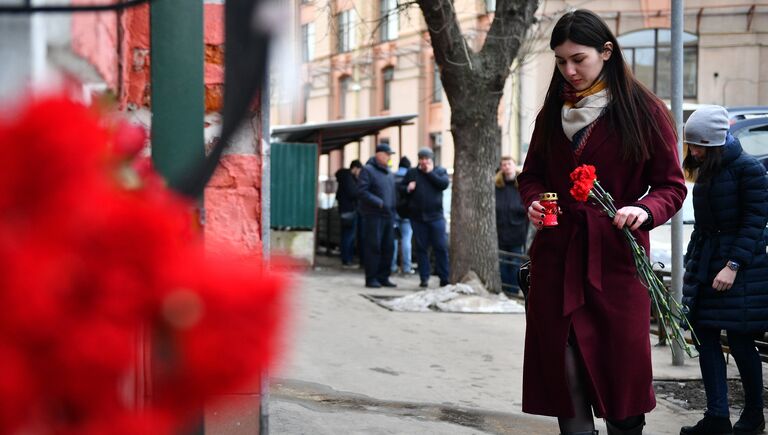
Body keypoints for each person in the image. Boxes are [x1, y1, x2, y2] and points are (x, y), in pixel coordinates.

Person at [517, 10, 686, 435]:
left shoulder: (644, 110)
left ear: (606, 52)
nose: (568, 71)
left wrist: (644, 211)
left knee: (621, 385)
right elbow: (532, 175)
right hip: (556, 261)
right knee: (564, 375)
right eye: (560, 61)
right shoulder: (552, 112)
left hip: (616, 264)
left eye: (579, 59)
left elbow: (671, 186)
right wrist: (535, 202)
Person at [679, 106, 768, 435]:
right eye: (691, 145)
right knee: (704, 335)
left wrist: (733, 265)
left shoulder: (749, 170)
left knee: (743, 341)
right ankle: (717, 416)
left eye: (700, 145)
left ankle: (754, 415)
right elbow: (703, 228)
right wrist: (693, 263)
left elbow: (755, 223)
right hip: (708, 266)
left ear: (716, 142)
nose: (694, 152)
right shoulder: (707, 171)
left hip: (743, 270)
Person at [403, 147, 450, 288]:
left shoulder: (439, 171)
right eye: (421, 159)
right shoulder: (412, 173)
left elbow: (443, 184)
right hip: (417, 218)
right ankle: (424, 278)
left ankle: (444, 277)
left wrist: (429, 173)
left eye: (427, 159)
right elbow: (400, 188)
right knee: (421, 249)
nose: (424, 162)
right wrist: (407, 188)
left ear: (431, 160)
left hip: (436, 217)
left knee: (440, 247)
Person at [357, 144, 398, 288]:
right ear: (378, 154)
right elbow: (362, 191)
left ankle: (383, 277)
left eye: (390, 155)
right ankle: (371, 278)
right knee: (373, 247)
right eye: (387, 154)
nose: (389, 157)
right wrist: (379, 203)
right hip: (373, 215)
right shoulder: (368, 170)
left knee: (388, 248)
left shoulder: (388, 172)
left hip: (388, 216)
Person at [495, 156, 528, 296]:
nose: (506, 166)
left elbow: (526, 204)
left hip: (517, 231)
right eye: (503, 164)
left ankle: (514, 290)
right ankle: (505, 290)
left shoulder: (522, 183)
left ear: (514, 166)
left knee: (515, 262)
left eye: (509, 164)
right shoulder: (497, 185)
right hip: (500, 230)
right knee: (502, 262)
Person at [335, 159, 363, 268]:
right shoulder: (348, 178)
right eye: (359, 170)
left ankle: (346, 258)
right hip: (350, 210)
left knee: (346, 235)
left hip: (344, 210)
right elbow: (353, 193)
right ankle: (347, 260)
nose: (359, 173)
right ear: (355, 168)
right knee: (349, 236)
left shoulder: (343, 178)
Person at [392, 156, 414, 275]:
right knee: (406, 240)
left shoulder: (392, 177)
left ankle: (392, 267)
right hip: (407, 214)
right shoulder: (410, 178)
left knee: (394, 240)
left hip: (394, 213)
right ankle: (406, 268)